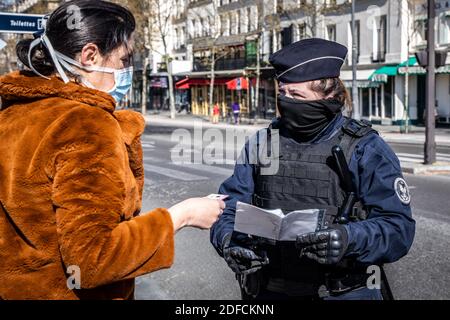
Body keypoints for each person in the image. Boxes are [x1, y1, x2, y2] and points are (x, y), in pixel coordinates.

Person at [0, 0, 224, 300]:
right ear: (91, 55)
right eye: (123, 59)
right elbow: (92, 260)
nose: (127, 70)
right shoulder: (84, 123)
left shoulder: (13, 113)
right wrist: (181, 216)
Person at [210, 38, 416, 300]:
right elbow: (227, 207)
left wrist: (349, 238)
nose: (286, 102)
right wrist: (229, 241)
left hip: (340, 292)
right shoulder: (264, 143)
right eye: (282, 93)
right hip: (269, 291)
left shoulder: (365, 149)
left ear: (330, 95)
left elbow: (399, 229)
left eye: (297, 95)